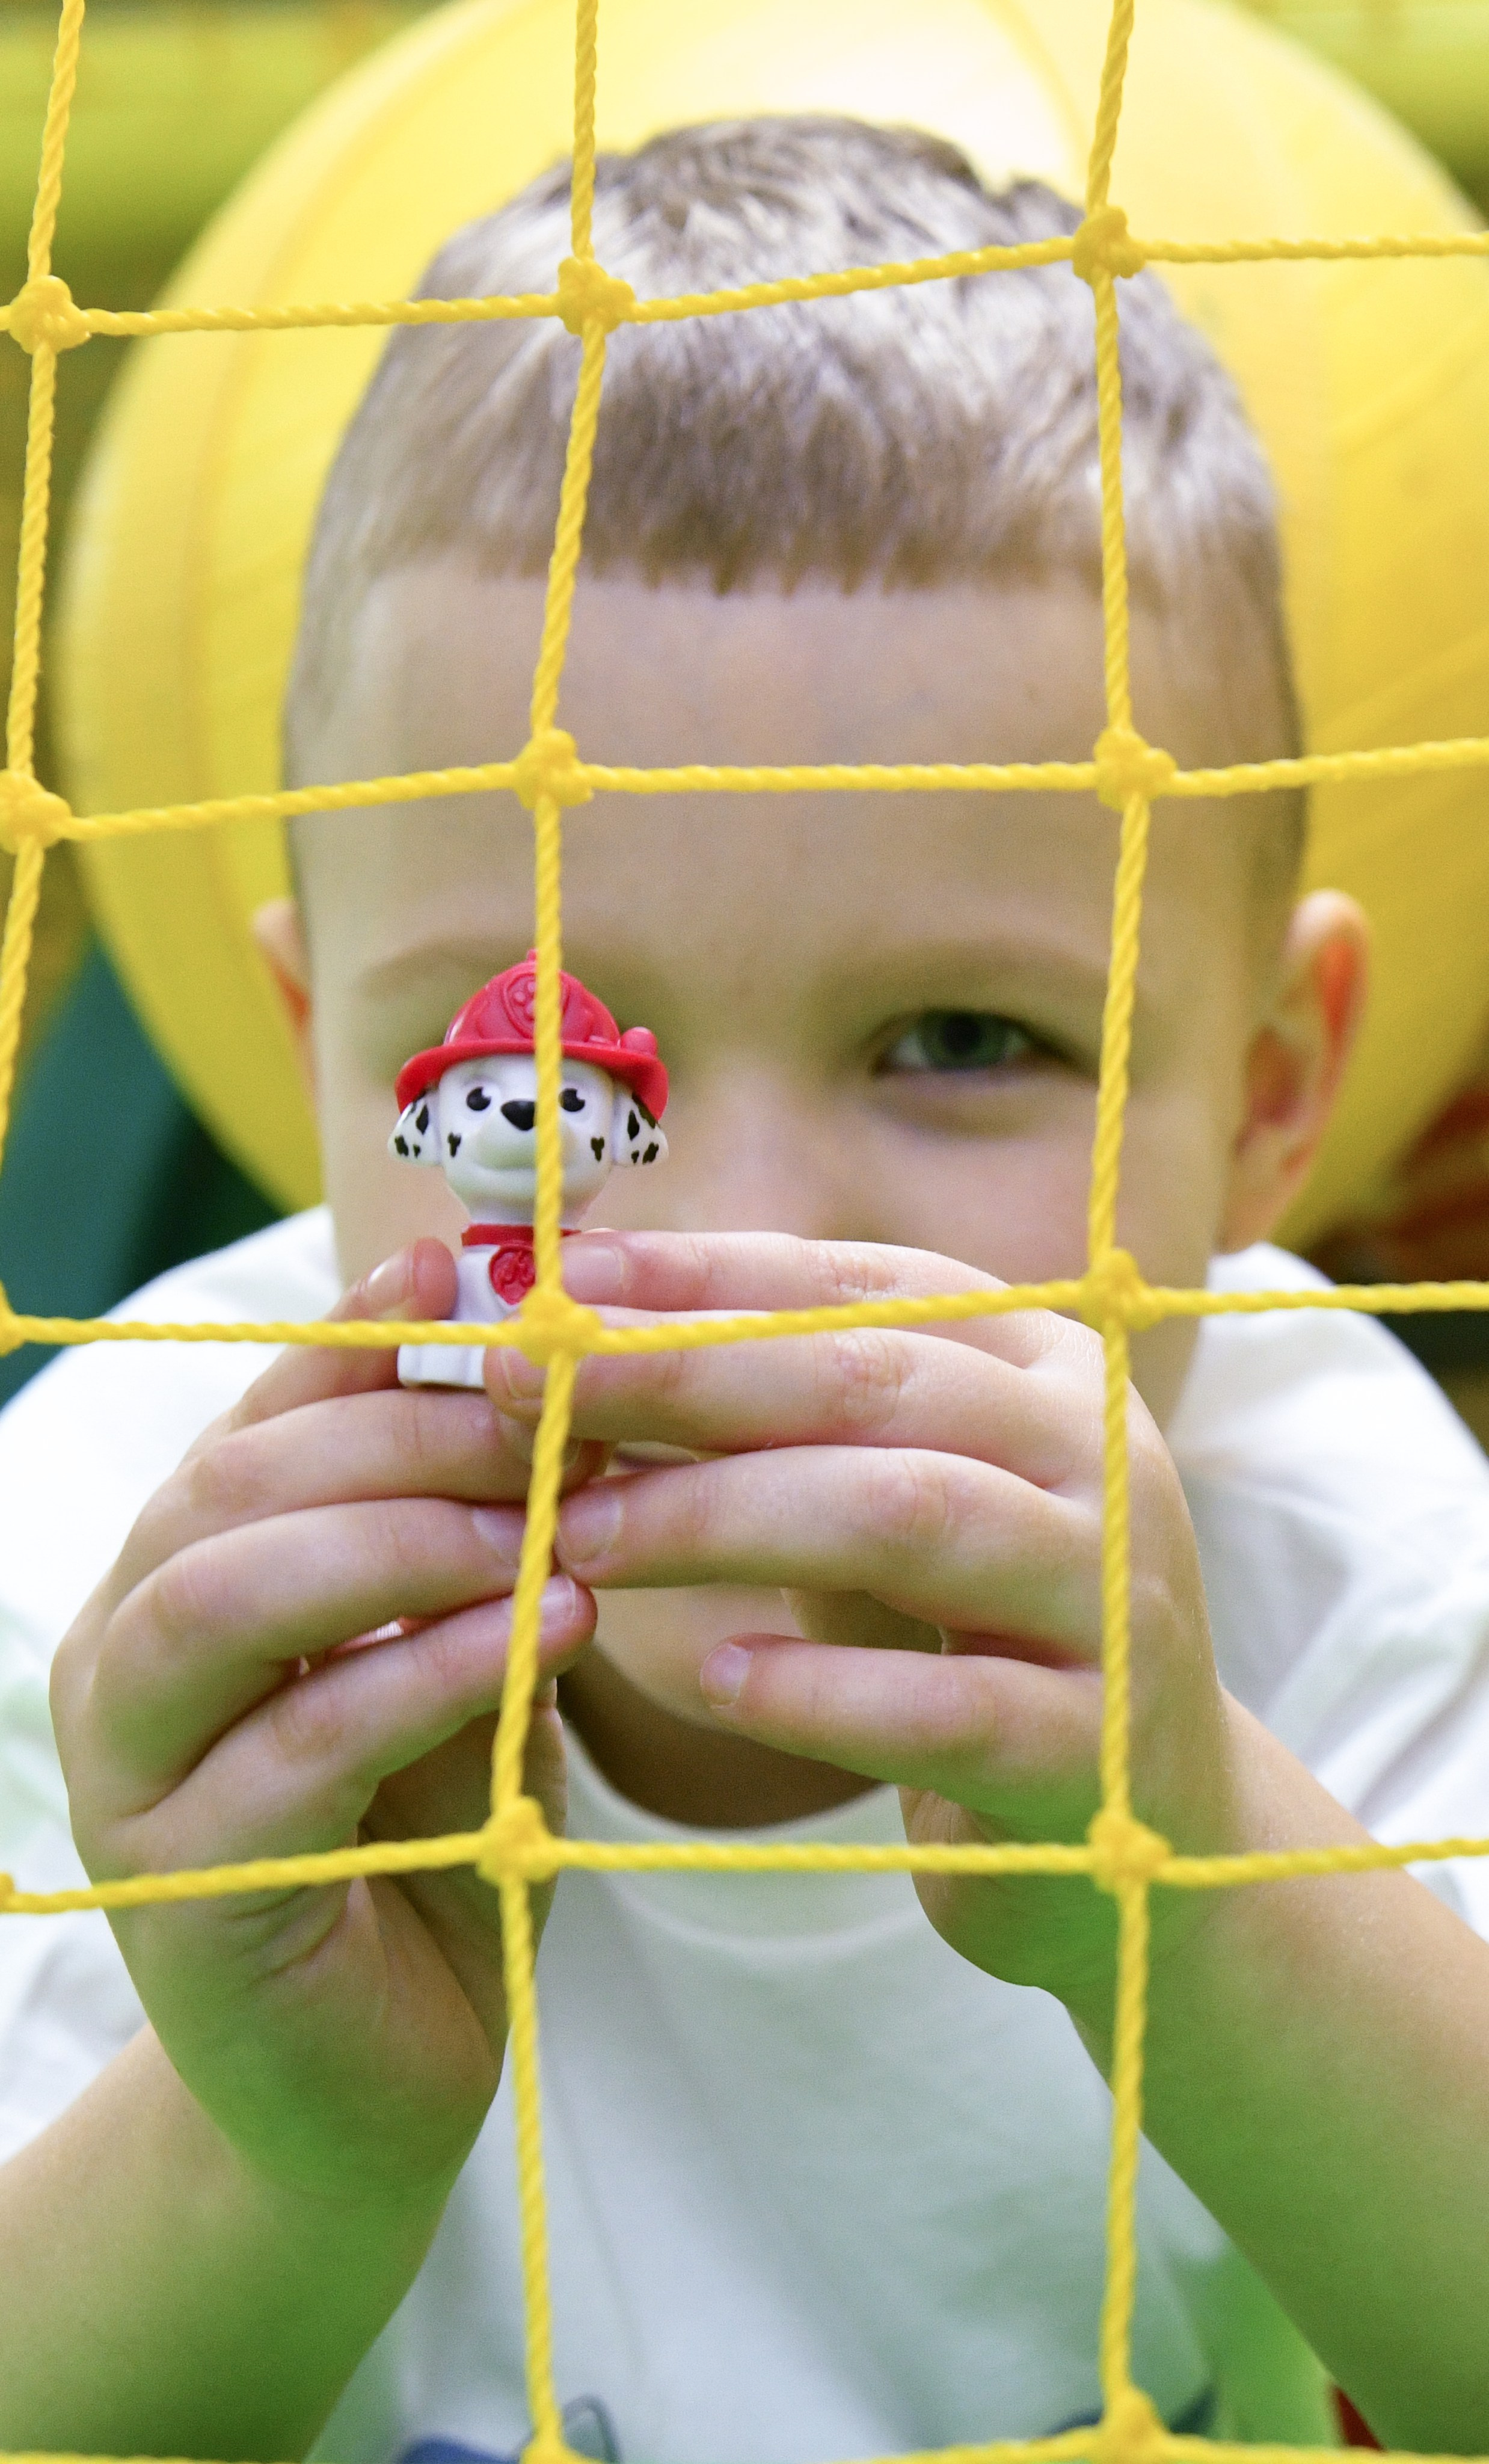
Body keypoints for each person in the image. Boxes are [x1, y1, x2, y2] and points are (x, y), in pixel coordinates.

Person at [4, 116, 1489, 2464]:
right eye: (531, 1079)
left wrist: (1199, 1906)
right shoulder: (137, 1551)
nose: (725, 1245)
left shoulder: (1349, 1556)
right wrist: (278, 2147)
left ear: (1272, 1097)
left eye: (964, 1043)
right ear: (319, 1070)